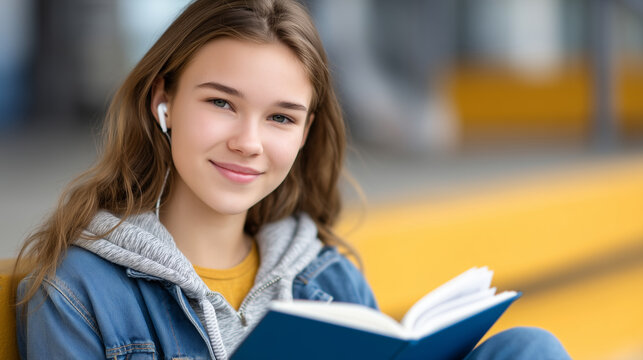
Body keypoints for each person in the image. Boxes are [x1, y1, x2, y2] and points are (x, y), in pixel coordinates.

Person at [14, 0, 571, 359]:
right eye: (222, 103)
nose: (249, 141)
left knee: (528, 350)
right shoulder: (81, 291)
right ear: (165, 102)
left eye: (280, 117)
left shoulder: (326, 278)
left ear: (305, 133)